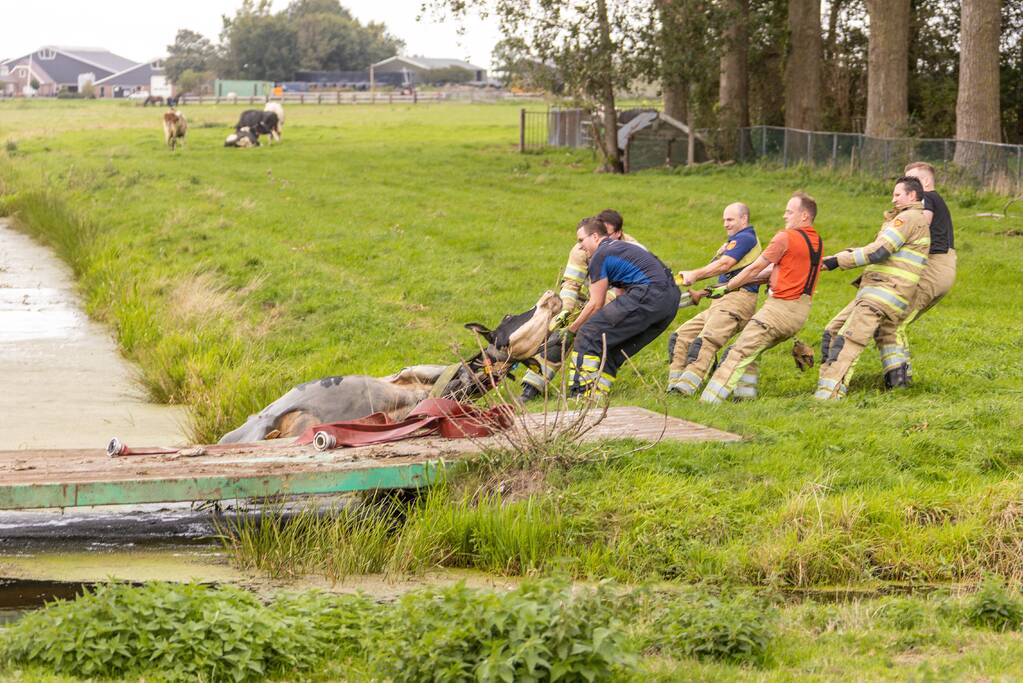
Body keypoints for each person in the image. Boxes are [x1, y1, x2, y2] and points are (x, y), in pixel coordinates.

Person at [700, 192, 823, 404]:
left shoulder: (786, 237)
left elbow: (756, 267)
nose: (785, 216)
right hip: (799, 314)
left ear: (804, 216)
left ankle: (708, 402)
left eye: (789, 211)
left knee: (738, 352)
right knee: (753, 350)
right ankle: (745, 398)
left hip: (778, 311)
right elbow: (775, 273)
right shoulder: (817, 242)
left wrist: (727, 287)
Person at [815, 176, 930, 400]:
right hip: (885, 292)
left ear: (912, 196)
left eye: (898, 194)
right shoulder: (911, 219)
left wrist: (838, 262)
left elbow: (878, 252)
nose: (893, 198)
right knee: (832, 329)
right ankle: (899, 385)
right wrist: (839, 256)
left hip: (883, 291)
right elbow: (878, 248)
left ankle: (829, 394)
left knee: (847, 338)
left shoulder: (906, 218)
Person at [520, 209, 644, 401]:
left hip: (621, 302)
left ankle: (587, 392)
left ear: (618, 233)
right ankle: (533, 386)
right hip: (590, 300)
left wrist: (586, 316)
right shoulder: (581, 249)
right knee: (560, 334)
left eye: (607, 234)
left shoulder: (634, 249)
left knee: (588, 335)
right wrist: (565, 311)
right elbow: (571, 284)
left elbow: (630, 290)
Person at [565, 218, 680, 397]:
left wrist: (572, 330)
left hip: (649, 294)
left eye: (581, 240)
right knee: (612, 347)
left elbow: (596, 304)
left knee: (588, 334)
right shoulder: (623, 248)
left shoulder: (599, 256)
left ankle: (578, 395)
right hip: (670, 301)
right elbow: (620, 296)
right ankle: (596, 397)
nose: (579, 246)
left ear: (595, 236)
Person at [667, 202, 762, 396]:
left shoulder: (745, 238)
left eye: (730, 219)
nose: (725, 224)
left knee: (705, 341)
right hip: (721, 301)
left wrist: (694, 274)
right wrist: (701, 293)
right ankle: (673, 386)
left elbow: (724, 265)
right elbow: (726, 278)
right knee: (680, 337)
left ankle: (685, 389)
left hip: (738, 301)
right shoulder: (735, 240)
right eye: (724, 220)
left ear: (744, 219)